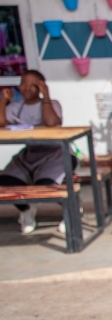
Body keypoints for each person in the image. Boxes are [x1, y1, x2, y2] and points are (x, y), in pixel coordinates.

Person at [0, 70, 69, 234]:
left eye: (33, 84)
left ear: (41, 86)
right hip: (29, 155)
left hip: (55, 154)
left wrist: (46, 96)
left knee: (45, 187)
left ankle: (71, 209)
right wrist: (4, 101)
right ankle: (26, 210)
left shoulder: (53, 104)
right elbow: (2, 123)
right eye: (24, 83)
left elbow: (51, 123)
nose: (27, 87)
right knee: (7, 183)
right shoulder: (16, 107)